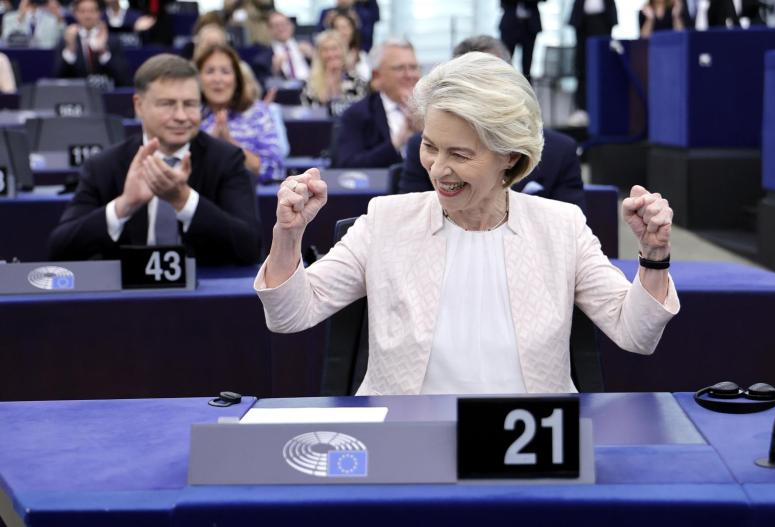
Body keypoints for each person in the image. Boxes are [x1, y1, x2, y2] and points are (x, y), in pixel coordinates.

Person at [255, 52, 679, 395]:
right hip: (405, 448)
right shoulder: (387, 220)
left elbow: (635, 334)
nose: (438, 169)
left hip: (534, 454)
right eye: (429, 146)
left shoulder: (561, 226)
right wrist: (288, 236)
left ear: (510, 156)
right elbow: (290, 315)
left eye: (459, 155)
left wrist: (654, 257)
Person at [48, 54, 261, 266]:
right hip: (127, 298)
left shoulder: (226, 160)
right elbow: (59, 250)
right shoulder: (103, 166)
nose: (181, 116)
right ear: (139, 105)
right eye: (167, 104)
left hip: (203, 296)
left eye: (190, 104)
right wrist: (124, 205)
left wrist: (184, 201)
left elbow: (250, 246)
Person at [400, 35, 585, 211]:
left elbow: (567, 235)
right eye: (462, 88)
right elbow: (410, 219)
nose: (438, 170)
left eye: (460, 155)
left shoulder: (559, 153)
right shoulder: (419, 152)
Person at [196, 43, 285, 183]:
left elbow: (276, 170)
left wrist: (229, 143)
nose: (217, 79)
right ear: (199, 79)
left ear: (236, 79)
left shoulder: (257, 113)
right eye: (210, 71)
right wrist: (210, 143)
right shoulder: (189, 115)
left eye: (225, 71)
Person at [330, 37, 419, 168]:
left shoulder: (433, 111)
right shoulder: (357, 115)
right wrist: (396, 142)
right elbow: (347, 166)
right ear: (377, 75)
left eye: (413, 67)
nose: (409, 75)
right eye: (400, 68)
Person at [53, 0, 132, 87]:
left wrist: (103, 52)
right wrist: (71, 49)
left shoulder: (112, 40)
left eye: (92, 11)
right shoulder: (66, 41)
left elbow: (123, 79)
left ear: (99, 13)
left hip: (106, 94)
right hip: (77, 95)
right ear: (75, 14)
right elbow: (57, 78)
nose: (87, 16)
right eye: (82, 11)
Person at [568, 0, 617, 127]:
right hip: (582, 24)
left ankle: (604, 108)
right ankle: (582, 110)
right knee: (582, 68)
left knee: (603, 69)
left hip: (603, 23)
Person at [300, 29, 368, 117]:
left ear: (343, 51)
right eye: (325, 50)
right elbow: (309, 114)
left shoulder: (357, 81)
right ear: (319, 55)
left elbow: (362, 114)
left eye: (334, 49)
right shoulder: (310, 83)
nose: (331, 54)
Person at [252, 11, 314, 84]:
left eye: (284, 24)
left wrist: (313, 56)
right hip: (286, 92)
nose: (281, 28)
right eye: (276, 26)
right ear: (269, 30)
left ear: (292, 26)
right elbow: (263, 85)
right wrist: (275, 71)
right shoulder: (262, 60)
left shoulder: (308, 47)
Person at [498, 0, 544, 81]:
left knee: (527, 64)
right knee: (505, 60)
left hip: (530, 26)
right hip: (510, 24)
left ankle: (526, 90)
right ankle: (503, 86)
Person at [326, 8, 370, 82]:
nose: (341, 32)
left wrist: (351, 69)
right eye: (337, 28)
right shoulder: (326, 55)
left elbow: (366, 79)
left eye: (344, 28)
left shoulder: (361, 55)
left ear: (352, 31)